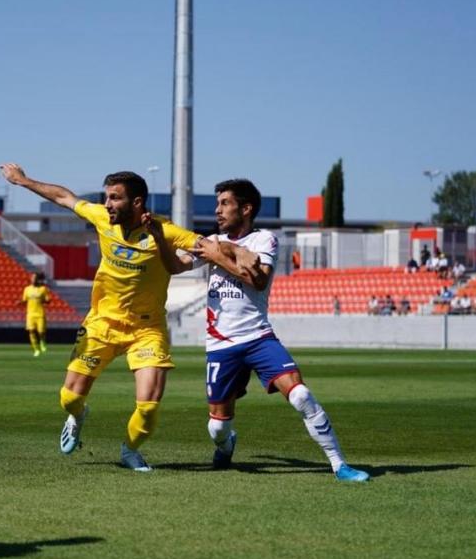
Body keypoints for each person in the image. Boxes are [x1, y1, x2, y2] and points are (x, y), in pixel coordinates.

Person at [149, 178, 369, 482]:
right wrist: (159, 237)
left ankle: (339, 464)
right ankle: (226, 445)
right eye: (218, 204)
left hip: (258, 338)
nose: (218, 211)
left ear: (246, 208)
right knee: (217, 427)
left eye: (225, 204)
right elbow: (174, 266)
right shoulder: (212, 241)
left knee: (301, 395)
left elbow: (259, 281)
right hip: (221, 345)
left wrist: (218, 255)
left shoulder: (264, 240)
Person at [0, 163, 201, 472]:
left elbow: (204, 245)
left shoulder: (165, 230)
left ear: (137, 203)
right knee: (68, 398)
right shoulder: (101, 218)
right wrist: (23, 181)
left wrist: (238, 253)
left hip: (147, 328)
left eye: (114, 198)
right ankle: (78, 414)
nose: (107, 204)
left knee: (148, 407)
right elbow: (64, 197)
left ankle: (130, 451)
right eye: (106, 197)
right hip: (101, 324)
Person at [21, 271, 51, 357]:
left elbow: (47, 300)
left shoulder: (43, 289)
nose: (33, 279)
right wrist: (19, 302)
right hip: (30, 314)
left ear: (38, 279)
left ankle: (42, 341)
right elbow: (24, 300)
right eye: (32, 277)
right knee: (31, 331)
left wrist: (46, 301)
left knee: (41, 331)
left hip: (40, 313)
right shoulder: (27, 289)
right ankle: (36, 349)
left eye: (35, 278)